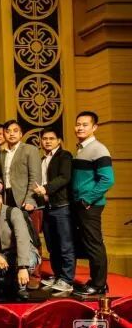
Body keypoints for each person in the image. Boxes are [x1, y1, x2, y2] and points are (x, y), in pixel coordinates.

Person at [71, 111, 114, 296]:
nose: (80, 128)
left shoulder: (98, 149)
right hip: (81, 204)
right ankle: (95, 281)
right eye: (78, 124)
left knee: (94, 244)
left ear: (94, 127)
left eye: (85, 124)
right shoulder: (82, 148)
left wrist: (88, 199)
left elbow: (108, 179)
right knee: (88, 243)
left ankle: (99, 285)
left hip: (90, 205)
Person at [0, 187, 41, 300]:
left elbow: (22, 239)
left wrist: (22, 267)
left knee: (29, 261)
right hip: (3, 255)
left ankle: (21, 287)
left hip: (23, 251)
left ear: (0, 198)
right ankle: (10, 281)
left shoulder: (13, 212)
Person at [34, 127, 75, 293]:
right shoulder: (43, 159)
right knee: (52, 245)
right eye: (44, 139)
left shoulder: (65, 156)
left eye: (51, 138)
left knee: (65, 244)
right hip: (47, 207)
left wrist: (46, 189)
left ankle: (67, 279)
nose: (47, 141)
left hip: (61, 206)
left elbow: (64, 177)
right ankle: (58, 275)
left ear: (59, 140)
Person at [0, 120, 42, 210]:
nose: (11, 134)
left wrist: (30, 199)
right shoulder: (2, 153)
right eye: (8, 131)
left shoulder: (30, 149)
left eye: (15, 131)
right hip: (6, 196)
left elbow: (35, 177)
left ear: (21, 134)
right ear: (4, 135)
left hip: (23, 198)